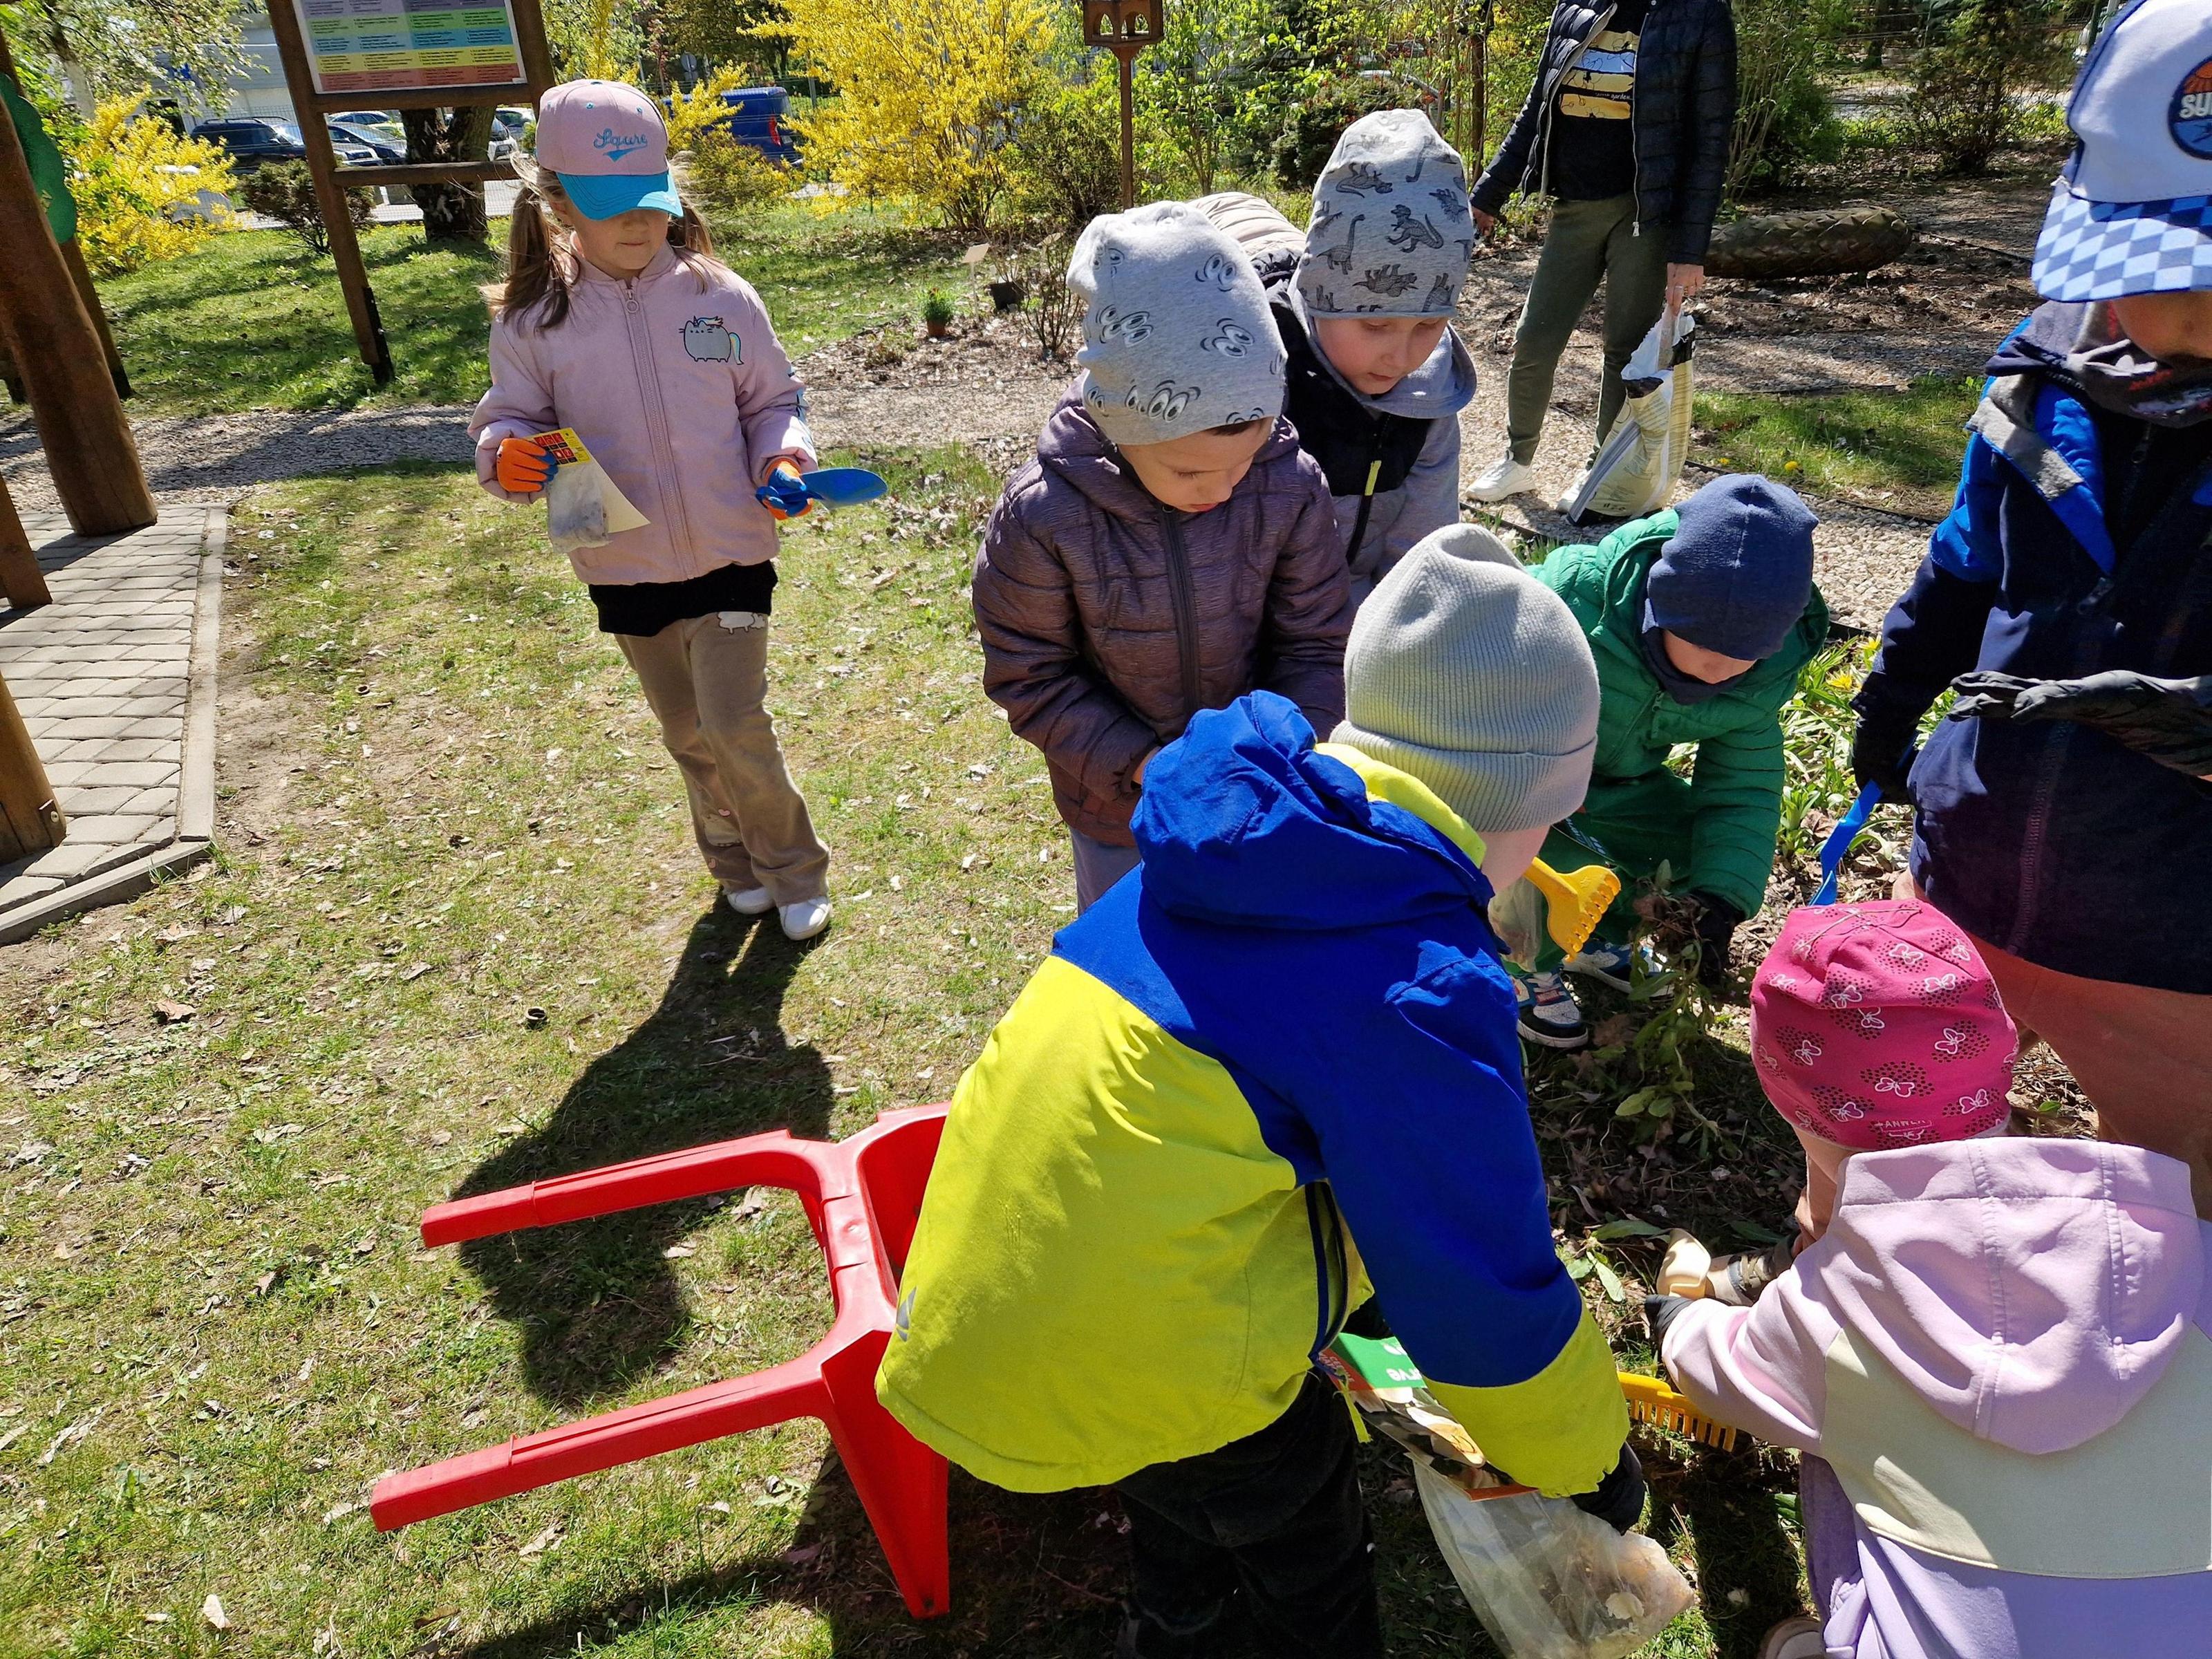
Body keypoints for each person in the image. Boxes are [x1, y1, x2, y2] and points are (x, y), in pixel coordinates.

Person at [879, 532, 1638, 1659]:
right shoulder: (1416, 983)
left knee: (1176, 1476)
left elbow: (1285, 1095)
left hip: (1003, 1308)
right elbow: (1476, 1281)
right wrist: (1588, 1459)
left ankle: (1174, 1622)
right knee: (1298, 1528)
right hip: (1143, 1351)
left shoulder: (1240, 849)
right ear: (1514, 802)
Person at [1848, 0, 2212, 1217]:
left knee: (2172, 1201)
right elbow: (1964, 567)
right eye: (2161, 277)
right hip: (1978, 859)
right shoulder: (2039, 373)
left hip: (2172, 937)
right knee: (1908, 1128)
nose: (2180, 320)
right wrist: (1893, 703)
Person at [1649, 899, 2212, 1659]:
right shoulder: (2182, 1250)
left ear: (1795, 1114)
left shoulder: (1833, 1313)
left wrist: (1678, 1321)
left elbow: (1723, 1376)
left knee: (1826, 1435)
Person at [469, 79, 832, 940]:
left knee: (733, 723)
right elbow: (511, 418)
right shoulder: (534, 318)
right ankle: (733, 861)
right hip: (620, 560)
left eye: (650, 199)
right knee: (687, 732)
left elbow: (772, 401)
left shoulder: (720, 296)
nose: (637, 222)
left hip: (732, 550)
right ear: (558, 203)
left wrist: (783, 456)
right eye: (609, 205)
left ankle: (792, 868)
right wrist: (505, 455)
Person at [971, 202, 1353, 912]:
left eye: (1243, 462)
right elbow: (1030, 674)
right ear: (1119, 423)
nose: (1223, 488)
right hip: (1117, 806)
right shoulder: (1044, 514)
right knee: (1130, 944)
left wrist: (1284, 750)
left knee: (1248, 938)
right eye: (1190, 471)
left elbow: (1316, 640)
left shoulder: (1287, 484)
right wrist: (1147, 766)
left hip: (1260, 794)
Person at [1511, 474, 1826, 1049]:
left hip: (1612, 786)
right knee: (1528, 856)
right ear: (1660, 605)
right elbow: (1470, 674)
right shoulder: (1572, 599)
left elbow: (1742, 788)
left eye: (1747, 654)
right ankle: (1521, 961)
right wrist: (1529, 773)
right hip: (1515, 773)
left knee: (1687, 847)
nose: (1720, 669)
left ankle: (1591, 938)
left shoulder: (1758, 682)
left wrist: (1720, 899)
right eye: (1702, 645)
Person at [1463, 0, 1737, 506]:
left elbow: (1710, 139)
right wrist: (1487, 195)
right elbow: (1537, 108)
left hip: (1645, 217)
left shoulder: (1699, 13)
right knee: (1534, 340)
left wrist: (1689, 249)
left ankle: (1597, 470)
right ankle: (1517, 461)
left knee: (1623, 350)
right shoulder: (1575, 6)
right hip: (1574, 206)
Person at [1200, 109, 1479, 600]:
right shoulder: (1257, 371)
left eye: (1428, 325)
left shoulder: (1431, 395)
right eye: (1375, 325)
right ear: (1317, 297)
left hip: (1356, 610)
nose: (1401, 357)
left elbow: (1421, 555)